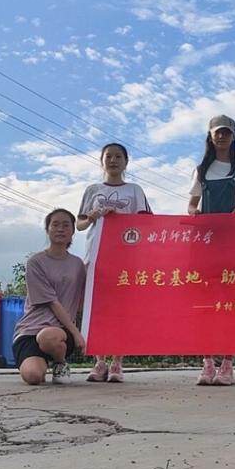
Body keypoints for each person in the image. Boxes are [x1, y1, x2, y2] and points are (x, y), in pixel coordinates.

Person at [187, 114, 235, 386]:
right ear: (210, 137)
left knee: (232, 307)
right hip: (206, 247)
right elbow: (191, 205)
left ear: (233, 137)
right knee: (205, 307)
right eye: (217, 132)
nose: (222, 137)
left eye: (226, 133)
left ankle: (228, 364)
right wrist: (195, 212)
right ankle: (207, 362)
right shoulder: (201, 171)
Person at [77, 143, 152, 383]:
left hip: (125, 258)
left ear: (126, 162)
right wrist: (93, 216)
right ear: (101, 161)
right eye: (108, 156)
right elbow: (80, 224)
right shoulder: (92, 190)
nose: (113, 160)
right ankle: (99, 361)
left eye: (118, 156)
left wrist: (121, 219)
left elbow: (146, 223)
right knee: (98, 309)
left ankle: (117, 362)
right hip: (96, 256)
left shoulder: (135, 190)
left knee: (122, 310)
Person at [12, 208, 86, 386]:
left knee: (48, 337)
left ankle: (60, 362)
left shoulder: (78, 265)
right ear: (47, 229)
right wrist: (77, 334)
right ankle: (41, 362)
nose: (60, 229)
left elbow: (84, 299)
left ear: (72, 232)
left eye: (66, 225)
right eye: (55, 224)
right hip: (31, 330)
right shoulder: (35, 262)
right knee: (33, 376)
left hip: (59, 333)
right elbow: (52, 302)